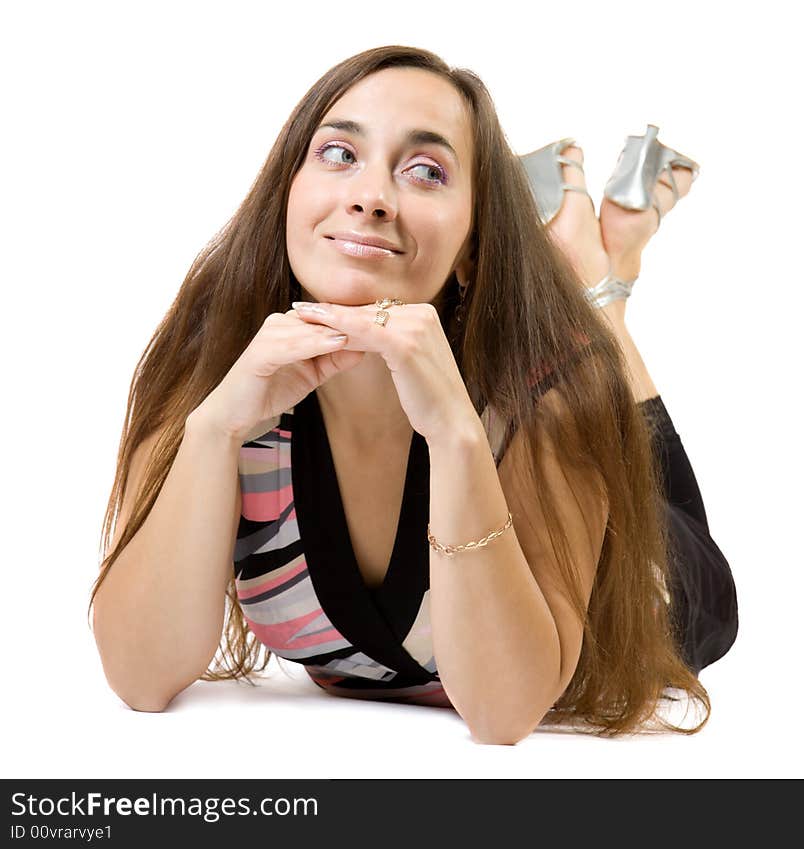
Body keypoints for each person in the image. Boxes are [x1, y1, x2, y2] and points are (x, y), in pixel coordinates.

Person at [89, 45, 738, 745]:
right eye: (339, 154)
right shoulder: (210, 363)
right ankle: (583, 270)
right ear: (288, 190)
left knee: (591, 369)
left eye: (426, 171)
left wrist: (458, 435)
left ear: (469, 245)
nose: (368, 197)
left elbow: (501, 713)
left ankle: (597, 287)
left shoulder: (541, 392)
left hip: (646, 575)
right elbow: (139, 674)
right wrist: (214, 428)